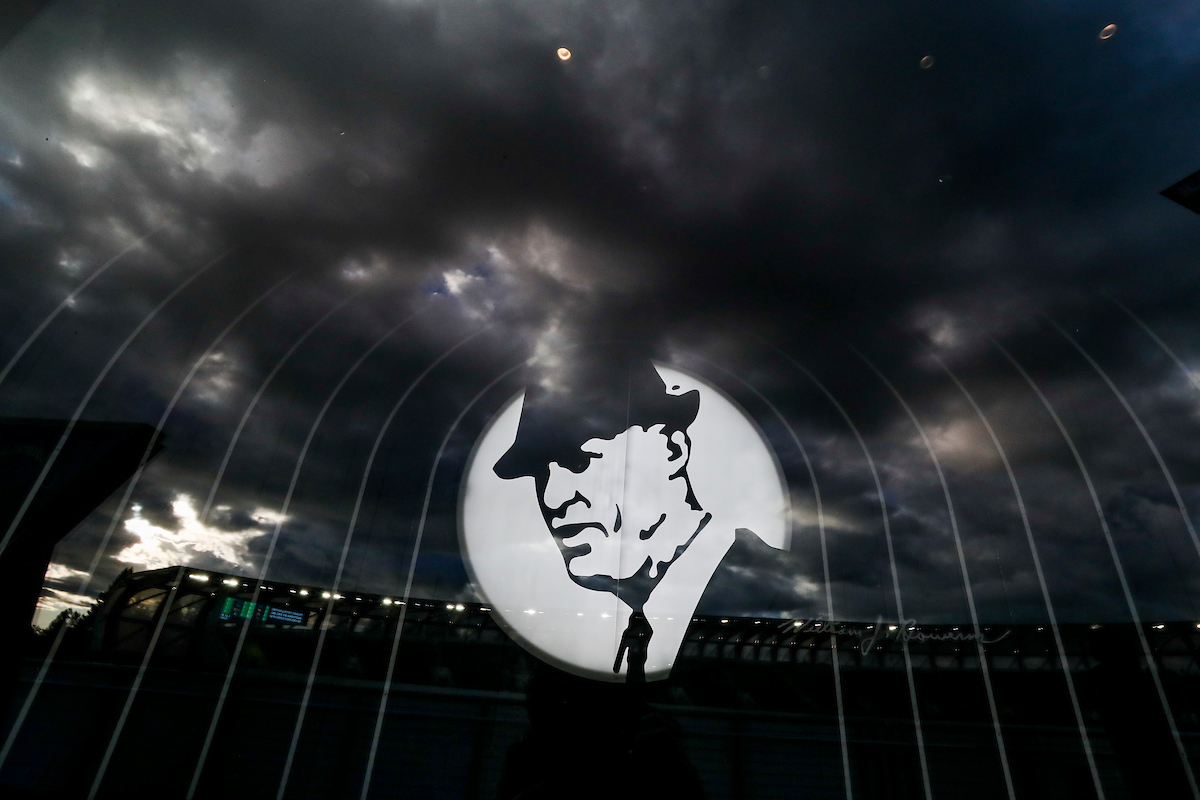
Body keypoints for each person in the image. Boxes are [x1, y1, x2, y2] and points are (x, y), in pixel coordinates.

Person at [493, 349, 796, 681]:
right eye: (539, 473)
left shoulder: (779, 603)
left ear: (672, 451)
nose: (553, 497)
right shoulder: (592, 632)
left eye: (581, 462)